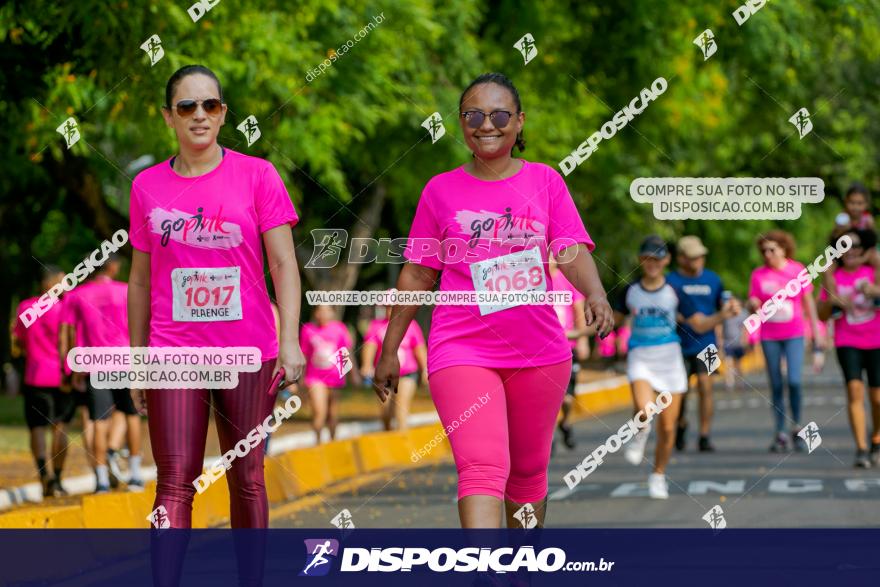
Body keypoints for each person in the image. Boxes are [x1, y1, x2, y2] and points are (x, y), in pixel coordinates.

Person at [374, 73, 614, 529]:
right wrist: (390, 347)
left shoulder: (545, 181)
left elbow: (569, 249)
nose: (488, 124)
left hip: (539, 352)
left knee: (526, 478)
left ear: (519, 123)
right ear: (461, 123)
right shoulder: (439, 190)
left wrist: (596, 293)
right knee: (481, 469)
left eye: (500, 114)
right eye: (474, 115)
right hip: (461, 346)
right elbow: (419, 272)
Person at [128, 64, 304, 530]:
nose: (199, 115)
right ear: (169, 117)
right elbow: (141, 279)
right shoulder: (146, 186)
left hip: (249, 351)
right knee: (173, 481)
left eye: (211, 105)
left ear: (224, 113)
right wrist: (136, 357)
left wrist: (291, 341)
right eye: (187, 106)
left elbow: (285, 266)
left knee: (247, 476)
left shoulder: (258, 175)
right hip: (173, 352)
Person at [615, 236, 739, 499]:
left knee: (671, 425)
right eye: (647, 258)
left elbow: (699, 324)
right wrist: (574, 333)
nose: (652, 263)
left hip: (677, 355)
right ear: (641, 260)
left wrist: (724, 316)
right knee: (645, 410)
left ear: (667, 260)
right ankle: (640, 433)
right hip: (640, 355)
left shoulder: (678, 290)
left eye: (657, 258)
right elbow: (610, 320)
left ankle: (659, 474)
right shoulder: (629, 290)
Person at [61, 253, 144, 492]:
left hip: (95, 364)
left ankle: (102, 481)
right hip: (125, 362)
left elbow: (66, 333)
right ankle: (136, 476)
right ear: (114, 267)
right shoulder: (128, 291)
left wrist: (70, 366)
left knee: (99, 422)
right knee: (132, 416)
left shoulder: (76, 295)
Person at [747, 230, 823, 453]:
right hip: (769, 335)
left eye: (772, 249)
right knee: (776, 384)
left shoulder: (797, 270)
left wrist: (816, 332)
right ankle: (780, 431)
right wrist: (751, 303)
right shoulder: (758, 275)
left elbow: (808, 300)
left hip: (794, 333)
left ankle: (797, 426)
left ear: (783, 248)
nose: (768, 254)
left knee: (794, 381)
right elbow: (752, 301)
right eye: (764, 251)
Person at [817, 228, 880, 467]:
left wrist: (875, 291)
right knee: (854, 391)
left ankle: (876, 438)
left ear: (864, 250)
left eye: (855, 246)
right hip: (847, 341)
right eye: (845, 246)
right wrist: (832, 299)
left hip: (876, 340)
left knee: (877, 398)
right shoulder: (833, 277)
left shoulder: (873, 272)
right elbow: (822, 314)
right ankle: (862, 449)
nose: (851, 250)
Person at [11, 266, 74, 497]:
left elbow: (18, 342)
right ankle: (57, 479)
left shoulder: (26, 307)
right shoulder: (65, 308)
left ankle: (43, 476)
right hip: (60, 376)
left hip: (34, 376)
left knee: (37, 427)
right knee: (61, 427)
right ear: (49, 283)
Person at [667, 236, 724, 452]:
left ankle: (704, 434)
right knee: (680, 391)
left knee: (705, 386)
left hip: (707, 344)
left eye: (701, 256)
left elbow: (722, 308)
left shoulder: (713, 280)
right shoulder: (671, 281)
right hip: (678, 344)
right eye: (692, 257)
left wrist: (721, 344)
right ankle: (680, 423)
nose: (698, 261)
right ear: (681, 259)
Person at [360, 305, 427, 431]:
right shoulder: (376, 325)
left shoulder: (411, 325)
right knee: (385, 414)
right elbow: (370, 346)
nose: (390, 310)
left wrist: (425, 369)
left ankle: (404, 444)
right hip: (384, 376)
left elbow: (419, 348)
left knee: (400, 409)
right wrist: (367, 365)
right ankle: (390, 437)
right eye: (388, 307)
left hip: (407, 374)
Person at [548, 254, 590, 449]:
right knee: (547, 394)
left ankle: (564, 422)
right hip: (543, 348)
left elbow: (578, 311)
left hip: (567, 346)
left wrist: (582, 340)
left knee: (566, 397)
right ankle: (548, 437)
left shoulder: (567, 281)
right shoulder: (531, 280)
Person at [300, 305, 358, 444]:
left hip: (335, 377)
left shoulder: (339, 329)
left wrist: (353, 374)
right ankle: (318, 443)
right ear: (315, 313)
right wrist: (300, 377)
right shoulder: (308, 329)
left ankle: (332, 442)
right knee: (319, 412)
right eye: (320, 310)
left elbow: (346, 352)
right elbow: (304, 354)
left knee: (332, 413)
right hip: (314, 378)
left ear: (332, 313)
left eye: (327, 311)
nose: (323, 314)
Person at [721, 297, 749, 391]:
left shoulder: (743, 314)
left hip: (738, 343)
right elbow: (720, 327)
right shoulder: (725, 314)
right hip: (727, 342)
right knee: (728, 363)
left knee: (739, 364)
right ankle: (729, 383)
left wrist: (744, 340)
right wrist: (720, 340)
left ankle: (740, 382)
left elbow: (744, 328)